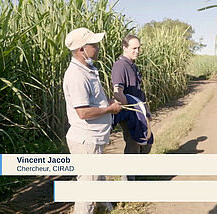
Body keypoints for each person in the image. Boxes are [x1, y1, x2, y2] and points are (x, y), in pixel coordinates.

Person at [63, 27, 121, 214]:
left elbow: (92, 101)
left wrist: (107, 103)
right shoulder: (76, 75)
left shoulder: (88, 69)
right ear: (81, 49)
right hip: (86, 139)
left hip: (94, 138)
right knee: (87, 189)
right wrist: (109, 109)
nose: (98, 48)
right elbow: (83, 112)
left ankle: (105, 207)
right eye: (94, 45)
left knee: (97, 176)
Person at [111, 35, 152, 180]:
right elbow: (118, 93)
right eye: (134, 48)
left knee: (145, 143)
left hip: (138, 111)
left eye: (139, 48)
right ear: (124, 48)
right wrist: (136, 110)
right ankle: (128, 180)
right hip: (129, 113)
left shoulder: (132, 65)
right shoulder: (120, 66)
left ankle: (135, 172)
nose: (137, 51)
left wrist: (144, 110)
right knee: (134, 144)